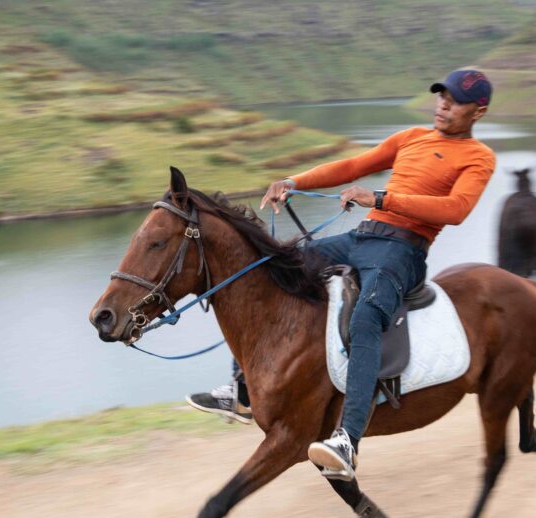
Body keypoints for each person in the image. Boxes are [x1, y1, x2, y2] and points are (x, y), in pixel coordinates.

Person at [187, 69, 496, 480]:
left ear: (479, 111)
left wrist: (381, 197)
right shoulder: (411, 138)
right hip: (363, 236)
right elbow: (354, 165)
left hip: (402, 252)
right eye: (442, 96)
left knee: (367, 319)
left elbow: (456, 209)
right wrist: (294, 182)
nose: (444, 105)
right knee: (274, 269)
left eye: (455, 101)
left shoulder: (479, 158)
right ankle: (242, 391)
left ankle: (347, 440)